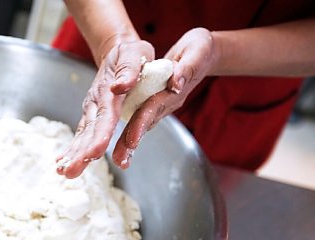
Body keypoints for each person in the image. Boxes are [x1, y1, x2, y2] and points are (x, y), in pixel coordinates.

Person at [52, 0, 315, 179]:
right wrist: (112, 40)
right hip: (105, 29)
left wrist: (220, 51)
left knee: (199, 198)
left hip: (251, 85)